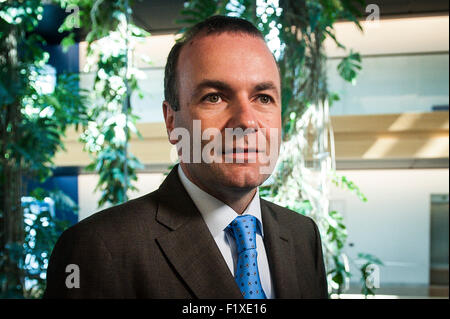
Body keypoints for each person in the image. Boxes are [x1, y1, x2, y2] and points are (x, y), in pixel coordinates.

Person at [44, 15, 328, 299]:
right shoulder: (98, 249)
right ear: (171, 122)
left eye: (263, 98)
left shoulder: (303, 235)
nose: (247, 121)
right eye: (214, 97)